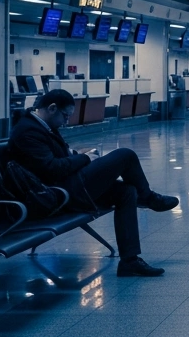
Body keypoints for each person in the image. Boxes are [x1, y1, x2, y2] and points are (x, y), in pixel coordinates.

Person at [10, 89, 179, 277]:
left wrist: (76, 154)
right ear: (51, 108)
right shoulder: (28, 131)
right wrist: (84, 158)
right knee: (125, 155)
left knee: (126, 191)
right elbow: (52, 169)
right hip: (57, 195)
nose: (66, 121)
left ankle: (129, 261)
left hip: (66, 186)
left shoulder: (41, 127)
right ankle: (148, 198)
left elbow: (54, 159)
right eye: (65, 116)